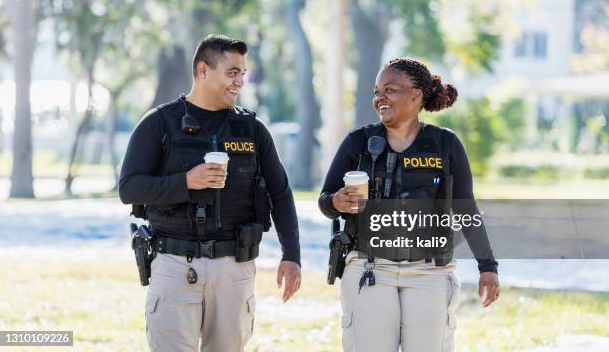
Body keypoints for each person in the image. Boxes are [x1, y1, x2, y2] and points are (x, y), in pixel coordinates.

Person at [119, 34, 302, 352]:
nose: (240, 82)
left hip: (234, 267)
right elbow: (129, 187)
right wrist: (186, 182)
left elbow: (281, 194)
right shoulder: (159, 124)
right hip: (174, 264)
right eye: (232, 72)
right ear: (203, 70)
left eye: (243, 73)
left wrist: (292, 255)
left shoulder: (252, 130)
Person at [318, 58, 500, 352]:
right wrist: (337, 201)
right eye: (377, 91)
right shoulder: (358, 143)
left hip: (429, 272)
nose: (380, 98)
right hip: (369, 267)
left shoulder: (445, 145)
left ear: (416, 95)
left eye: (389, 89)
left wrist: (487, 267)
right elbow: (326, 201)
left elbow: (466, 210)